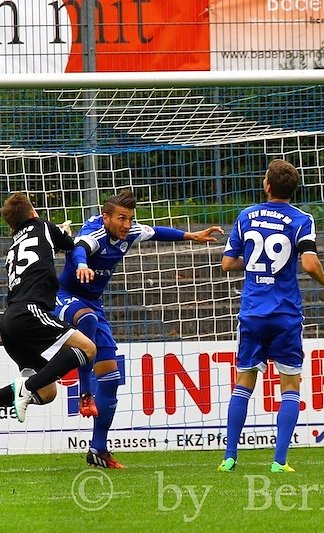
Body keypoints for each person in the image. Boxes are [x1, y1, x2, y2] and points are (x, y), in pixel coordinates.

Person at [56, 190, 223, 469]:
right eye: (121, 218)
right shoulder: (95, 233)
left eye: (130, 218)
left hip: (92, 303)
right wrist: (82, 264)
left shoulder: (129, 232)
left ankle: (98, 449)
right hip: (64, 297)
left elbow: (156, 232)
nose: (127, 224)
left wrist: (191, 236)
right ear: (106, 217)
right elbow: (80, 247)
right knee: (88, 320)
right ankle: (85, 394)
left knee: (111, 378)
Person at [217, 159, 324, 474]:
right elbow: (309, 264)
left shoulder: (246, 216)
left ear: (267, 185)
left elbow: (227, 263)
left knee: (244, 381)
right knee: (290, 385)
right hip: (285, 313)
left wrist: (256, 263)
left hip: (253, 312)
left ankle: (229, 458)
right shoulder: (301, 219)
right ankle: (279, 462)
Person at [0, 192, 96, 431]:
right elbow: (70, 244)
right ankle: (25, 387)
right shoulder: (43, 226)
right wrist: (64, 232)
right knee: (88, 348)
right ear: (33, 213)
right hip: (30, 312)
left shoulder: (13, 247)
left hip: (10, 323)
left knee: (47, 392)